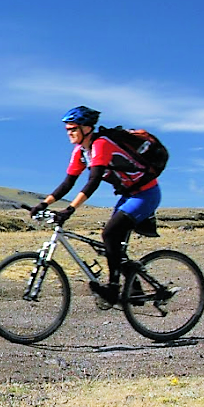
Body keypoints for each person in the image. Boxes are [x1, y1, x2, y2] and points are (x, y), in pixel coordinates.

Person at [28, 106, 161, 305]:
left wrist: (70, 209)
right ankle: (135, 287)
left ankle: (113, 289)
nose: (69, 133)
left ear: (86, 128)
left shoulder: (101, 144)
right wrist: (43, 203)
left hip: (146, 194)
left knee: (109, 234)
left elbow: (93, 181)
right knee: (111, 246)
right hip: (128, 195)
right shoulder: (81, 152)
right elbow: (68, 183)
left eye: (73, 129)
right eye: (67, 129)